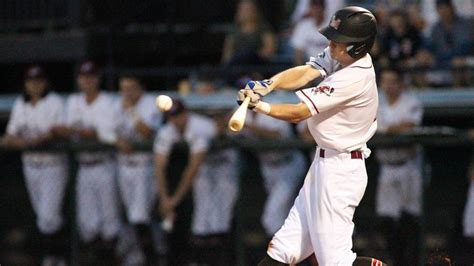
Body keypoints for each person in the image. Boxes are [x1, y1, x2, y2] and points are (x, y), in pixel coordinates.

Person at [237, 6, 387, 265]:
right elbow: (307, 72)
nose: (331, 43)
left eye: (338, 40)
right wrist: (268, 85)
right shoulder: (341, 57)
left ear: (358, 46)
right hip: (323, 165)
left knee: (336, 263)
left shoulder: (355, 75)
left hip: (341, 171)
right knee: (281, 253)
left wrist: (260, 107)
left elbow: (299, 112)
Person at [1, 65, 68, 266]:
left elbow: (59, 130)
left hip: (53, 164)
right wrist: (22, 142)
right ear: (26, 84)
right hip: (31, 166)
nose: (35, 85)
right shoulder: (21, 105)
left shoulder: (55, 102)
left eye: (38, 81)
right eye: (31, 81)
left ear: (45, 82)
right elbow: (9, 136)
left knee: (48, 218)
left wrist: (39, 139)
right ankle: (56, 257)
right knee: (44, 217)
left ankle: (55, 258)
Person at [55, 61, 121, 264]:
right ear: (78, 80)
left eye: (91, 76)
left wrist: (77, 131)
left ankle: (113, 259)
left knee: (110, 221)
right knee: (87, 223)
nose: (88, 80)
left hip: (106, 165)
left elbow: (100, 134)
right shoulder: (73, 101)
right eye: (84, 77)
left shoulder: (108, 102)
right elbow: (63, 130)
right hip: (84, 166)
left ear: (97, 79)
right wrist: (81, 132)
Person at [153, 99, 216, 265]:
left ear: (186, 113)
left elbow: (192, 169)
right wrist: (165, 199)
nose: (176, 119)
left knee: (209, 220)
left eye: (179, 115)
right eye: (172, 116)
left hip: (219, 165)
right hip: (196, 171)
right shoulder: (166, 131)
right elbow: (159, 167)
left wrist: (174, 200)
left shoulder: (200, 127)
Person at [375, 68, 423, 266]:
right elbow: (369, 127)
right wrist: (391, 129)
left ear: (401, 83)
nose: (389, 85)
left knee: (410, 219)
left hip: (408, 166)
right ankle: (394, 261)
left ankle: (410, 261)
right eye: (385, 81)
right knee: (387, 219)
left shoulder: (411, 102)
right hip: (387, 167)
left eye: (393, 81)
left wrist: (384, 128)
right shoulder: (375, 102)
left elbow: (409, 127)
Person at [114, 75, 162, 264]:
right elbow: (106, 130)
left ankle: (151, 258)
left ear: (141, 87)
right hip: (124, 166)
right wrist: (116, 140)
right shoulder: (117, 104)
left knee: (140, 214)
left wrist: (132, 112)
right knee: (131, 214)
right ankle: (146, 255)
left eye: (131, 88)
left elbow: (147, 132)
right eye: (123, 88)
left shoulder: (151, 103)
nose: (127, 92)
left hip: (145, 166)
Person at [245, 112, 306, 237]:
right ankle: (293, 250)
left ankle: (277, 252)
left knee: (272, 215)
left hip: (289, 165)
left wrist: (248, 128)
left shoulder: (273, 106)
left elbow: (277, 134)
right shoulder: (241, 111)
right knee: (285, 213)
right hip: (267, 166)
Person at [189, 111, 239, 265]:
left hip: (226, 179)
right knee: (202, 223)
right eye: (214, 118)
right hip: (206, 179)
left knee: (221, 222)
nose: (218, 121)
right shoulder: (202, 130)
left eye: (221, 116)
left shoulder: (236, 127)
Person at [415, 0, 474, 87]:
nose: (443, 12)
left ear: (452, 8)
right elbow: (429, 45)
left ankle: (456, 97)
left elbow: (465, 48)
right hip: (442, 62)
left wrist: (441, 58)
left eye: (445, 8)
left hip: (464, 60)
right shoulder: (436, 27)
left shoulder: (465, 24)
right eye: (440, 9)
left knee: (458, 64)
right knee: (418, 64)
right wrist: (424, 53)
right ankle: (428, 96)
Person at [221, 0, 276, 65]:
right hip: (236, 65)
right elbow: (227, 53)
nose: (245, 12)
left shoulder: (264, 29)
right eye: (242, 9)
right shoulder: (233, 31)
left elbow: (269, 50)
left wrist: (251, 58)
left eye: (248, 9)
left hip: (257, 64)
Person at [291, 0, 329, 65]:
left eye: (319, 8)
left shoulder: (331, 25)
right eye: (314, 8)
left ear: (324, 9)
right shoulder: (303, 25)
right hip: (309, 65)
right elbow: (298, 53)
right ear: (310, 9)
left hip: (329, 66)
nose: (317, 11)